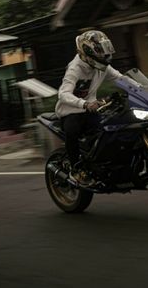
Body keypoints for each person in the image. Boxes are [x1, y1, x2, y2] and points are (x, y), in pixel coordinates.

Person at [55, 30, 127, 186]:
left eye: (104, 51)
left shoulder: (101, 66)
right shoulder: (75, 69)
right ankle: (76, 170)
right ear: (87, 53)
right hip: (71, 111)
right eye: (100, 52)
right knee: (72, 130)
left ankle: (107, 165)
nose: (104, 55)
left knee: (112, 127)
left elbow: (120, 78)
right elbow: (63, 94)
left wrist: (142, 89)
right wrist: (84, 104)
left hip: (93, 109)